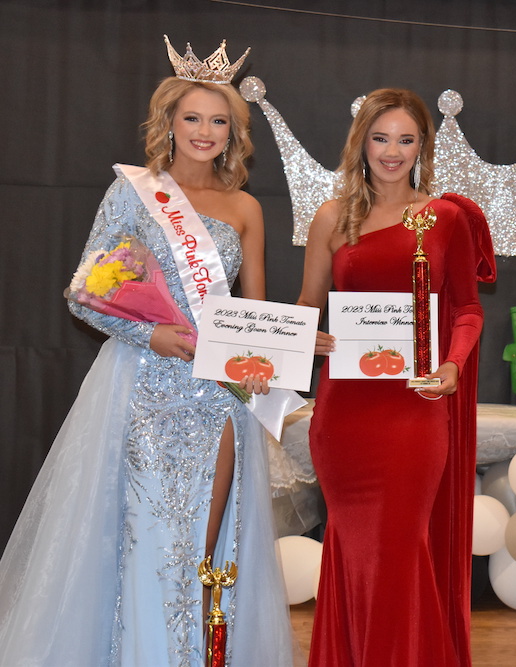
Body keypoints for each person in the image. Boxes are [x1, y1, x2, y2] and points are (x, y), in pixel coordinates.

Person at [0, 38, 297, 666]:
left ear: (235, 133)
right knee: (148, 536)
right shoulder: (135, 194)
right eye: (192, 117)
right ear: (168, 122)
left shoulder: (246, 208)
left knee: (205, 547)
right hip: (145, 393)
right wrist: (151, 334)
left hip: (218, 402)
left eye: (219, 121)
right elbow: (85, 294)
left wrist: (296, 343)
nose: (205, 131)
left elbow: (253, 320)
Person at [296, 88, 495, 666]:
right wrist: (307, 338)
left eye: (406, 139)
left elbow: (468, 309)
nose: (392, 151)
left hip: (415, 409)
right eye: (381, 137)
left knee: (402, 550)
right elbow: (308, 305)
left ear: (422, 147)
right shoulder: (332, 217)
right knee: (353, 551)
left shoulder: (446, 218)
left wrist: (454, 365)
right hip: (346, 416)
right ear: (361, 142)